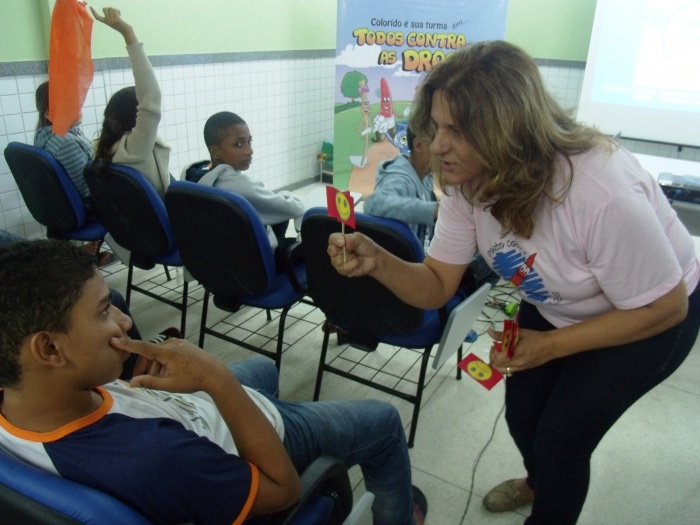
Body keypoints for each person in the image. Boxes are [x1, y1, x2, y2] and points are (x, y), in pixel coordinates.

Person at [328, 40, 700, 525]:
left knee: (563, 439)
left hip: (649, 314)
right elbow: (437, 284)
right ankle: (537, 481)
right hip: (558, 303)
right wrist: (378, 261)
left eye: (457, 131)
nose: (437, 146)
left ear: (508, 130)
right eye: (437, 126)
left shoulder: (598, 190)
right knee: (523, 414)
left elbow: (666, 307)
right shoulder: (466, 180)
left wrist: (553, 346)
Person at [0, 239, 427, 525]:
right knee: (384, 421)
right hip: (253, 445)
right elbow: (283, 490)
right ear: (49, 349)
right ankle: (399, 514)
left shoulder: (25, 394)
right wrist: (215, 377)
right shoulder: (156, 458)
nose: (125, 321)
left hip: (181, 416)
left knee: (263, 368)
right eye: (103, 312)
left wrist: (138, 385)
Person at [196, 111, 305, 253]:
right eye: (238, 144)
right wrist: (288, 195)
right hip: (258, 256)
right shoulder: (241, 186)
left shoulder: (195, 176)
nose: (249, 150)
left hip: (221, 253)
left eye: (249, 141)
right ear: (215, 152)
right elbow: (294, 208)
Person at [91, 7, 171, 197]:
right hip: (159, 216)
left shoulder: (104, 147)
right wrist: (127, 32)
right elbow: (151, 97)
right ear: (137, 116)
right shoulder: (135, 149)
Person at [363, 125, 438, 249]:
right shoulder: (399, 179)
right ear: (419, 146)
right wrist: (434, 210)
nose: (445, 152)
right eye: (438, 144)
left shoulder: (425, 176)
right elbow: (374, 204)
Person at [34, 81, 93, 210]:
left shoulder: (43, 133)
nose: (77, 107)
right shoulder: (65, 143)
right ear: (48, 113)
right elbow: (89, 189)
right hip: (91, 207)